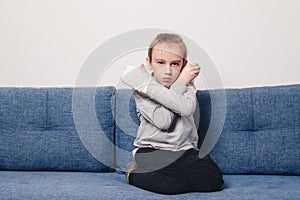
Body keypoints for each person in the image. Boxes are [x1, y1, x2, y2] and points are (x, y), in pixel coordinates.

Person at [120, 33, 224, 194]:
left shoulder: (186, 83)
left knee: (211, 181)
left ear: (183, 65)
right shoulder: (141, 90)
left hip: (186, 151)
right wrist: (176, 84)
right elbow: (164, 121)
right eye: (160, 62)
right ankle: (133, 173)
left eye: (175, 64)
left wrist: (179, 82)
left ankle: (180, 174)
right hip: (152, 150)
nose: (167, 70)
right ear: (149, 63)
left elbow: (187, 108)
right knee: (173, 184)